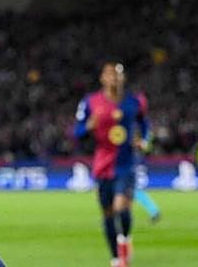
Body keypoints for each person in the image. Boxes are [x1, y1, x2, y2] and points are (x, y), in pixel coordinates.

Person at [74, 61, 149, 267]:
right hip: (102, 165)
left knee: (121, 207)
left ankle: (124, 239)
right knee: (107, 212)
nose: (114, 78)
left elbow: (144, 123)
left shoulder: (135, 101)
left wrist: (143, 140)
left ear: (123, 78)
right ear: (103, 78)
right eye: (110, 75)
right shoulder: (90, 102)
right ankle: (116, 259)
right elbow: (76, 133)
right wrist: (89, 126)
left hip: (126, 164)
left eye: (118, 75)